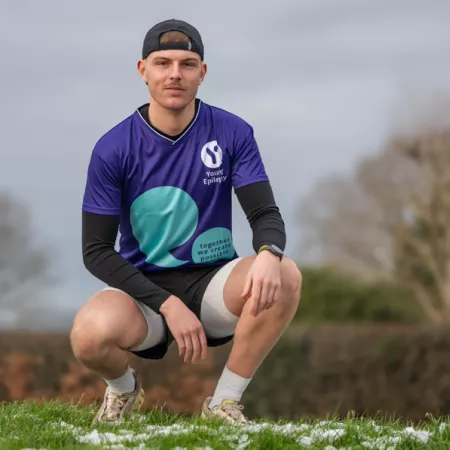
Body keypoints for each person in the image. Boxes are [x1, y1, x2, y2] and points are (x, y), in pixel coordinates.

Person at [72, 18, 302, 425]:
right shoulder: (113, 148)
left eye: (187, 63)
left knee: (284, 273)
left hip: (214, 286)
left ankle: (224, 403)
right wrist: (166, 303)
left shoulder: (232, 132)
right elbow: (95, 251)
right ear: (143, 71)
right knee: (88, 335)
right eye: (163, 63)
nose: (175, 74)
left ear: (203, 72)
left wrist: (269, 252)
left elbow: (265, 214)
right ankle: (124, 390)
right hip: (144, 295)